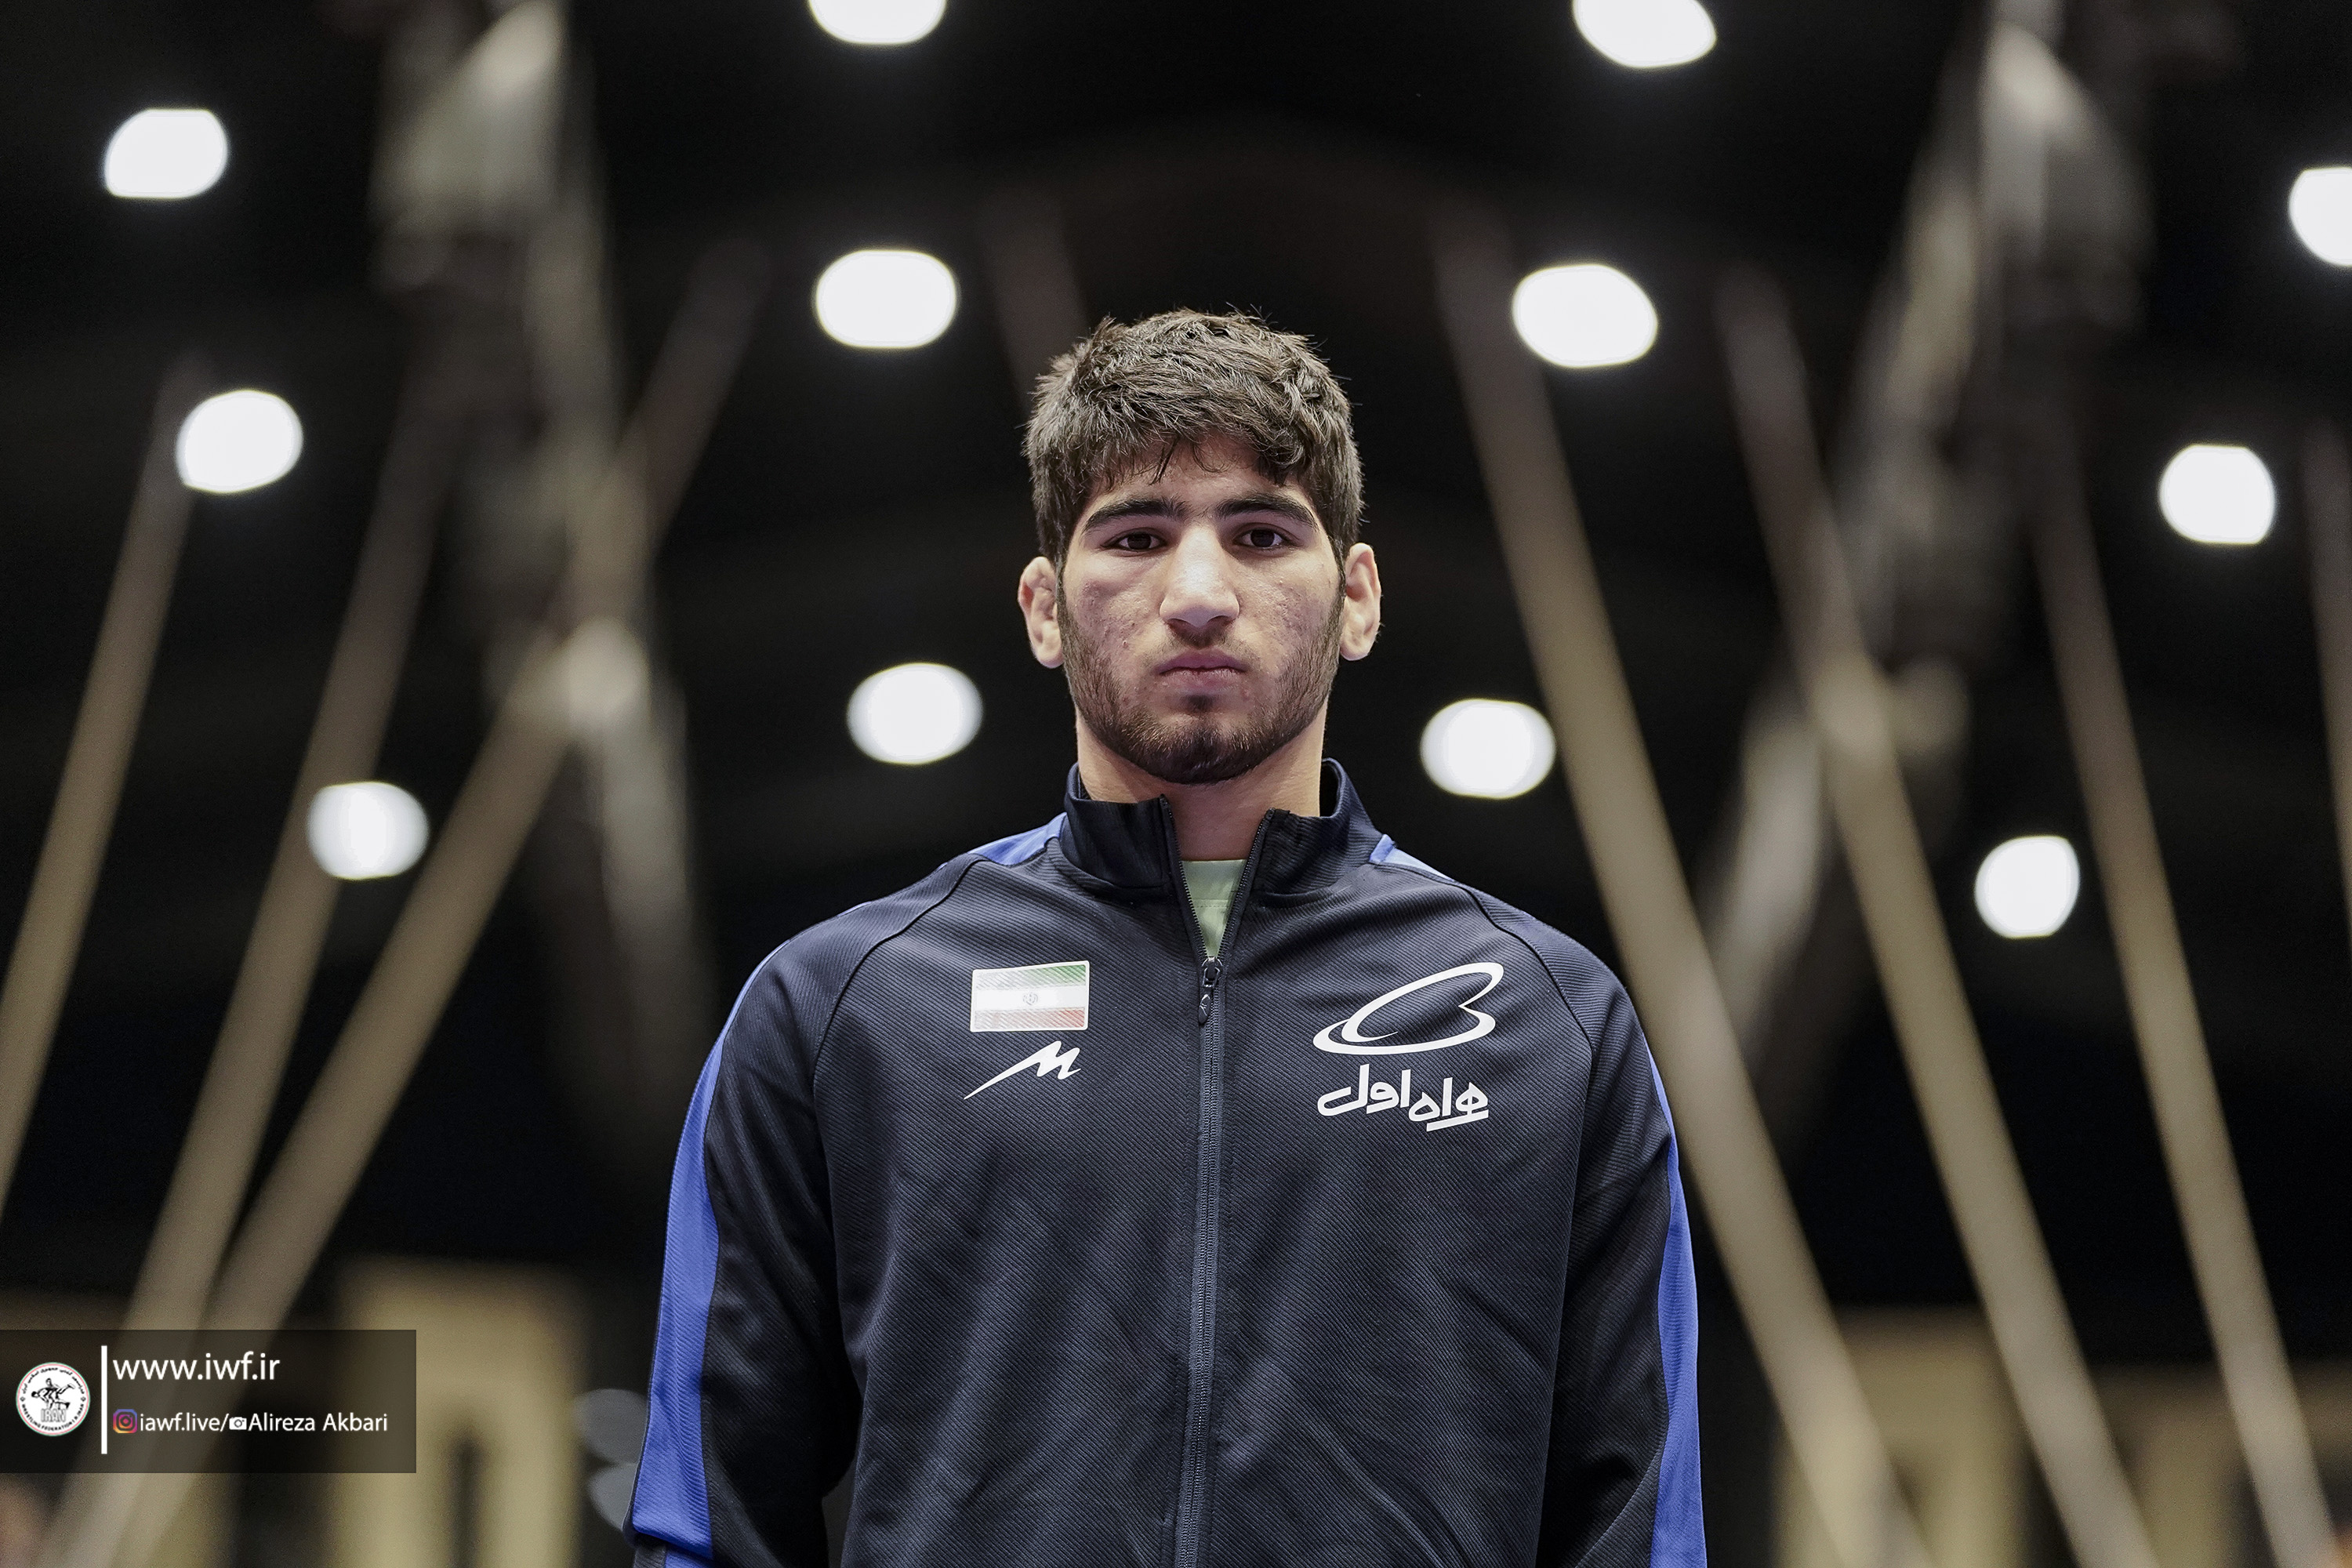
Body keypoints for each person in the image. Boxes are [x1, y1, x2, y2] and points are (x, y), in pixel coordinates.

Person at [628, 310, 1703, 1568]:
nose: (1197, 596)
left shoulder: (1548, 1020)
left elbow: (1639, 1524)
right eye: (1136, 536)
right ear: (1044, 608)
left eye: (1262, 534)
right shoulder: (844, 1009)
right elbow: (711, 1510)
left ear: (1357, 598)